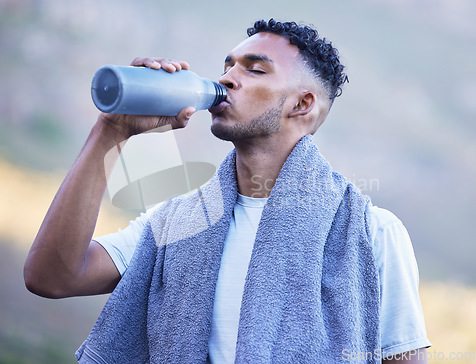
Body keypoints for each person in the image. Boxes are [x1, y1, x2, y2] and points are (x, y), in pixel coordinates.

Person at [24, 19, 431, 363]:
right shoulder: (177, 224)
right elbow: (52, 277)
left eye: (254, 70)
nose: (226, 78)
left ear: (302, 105)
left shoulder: (370, 231)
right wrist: (110, 131)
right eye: (228, 65)